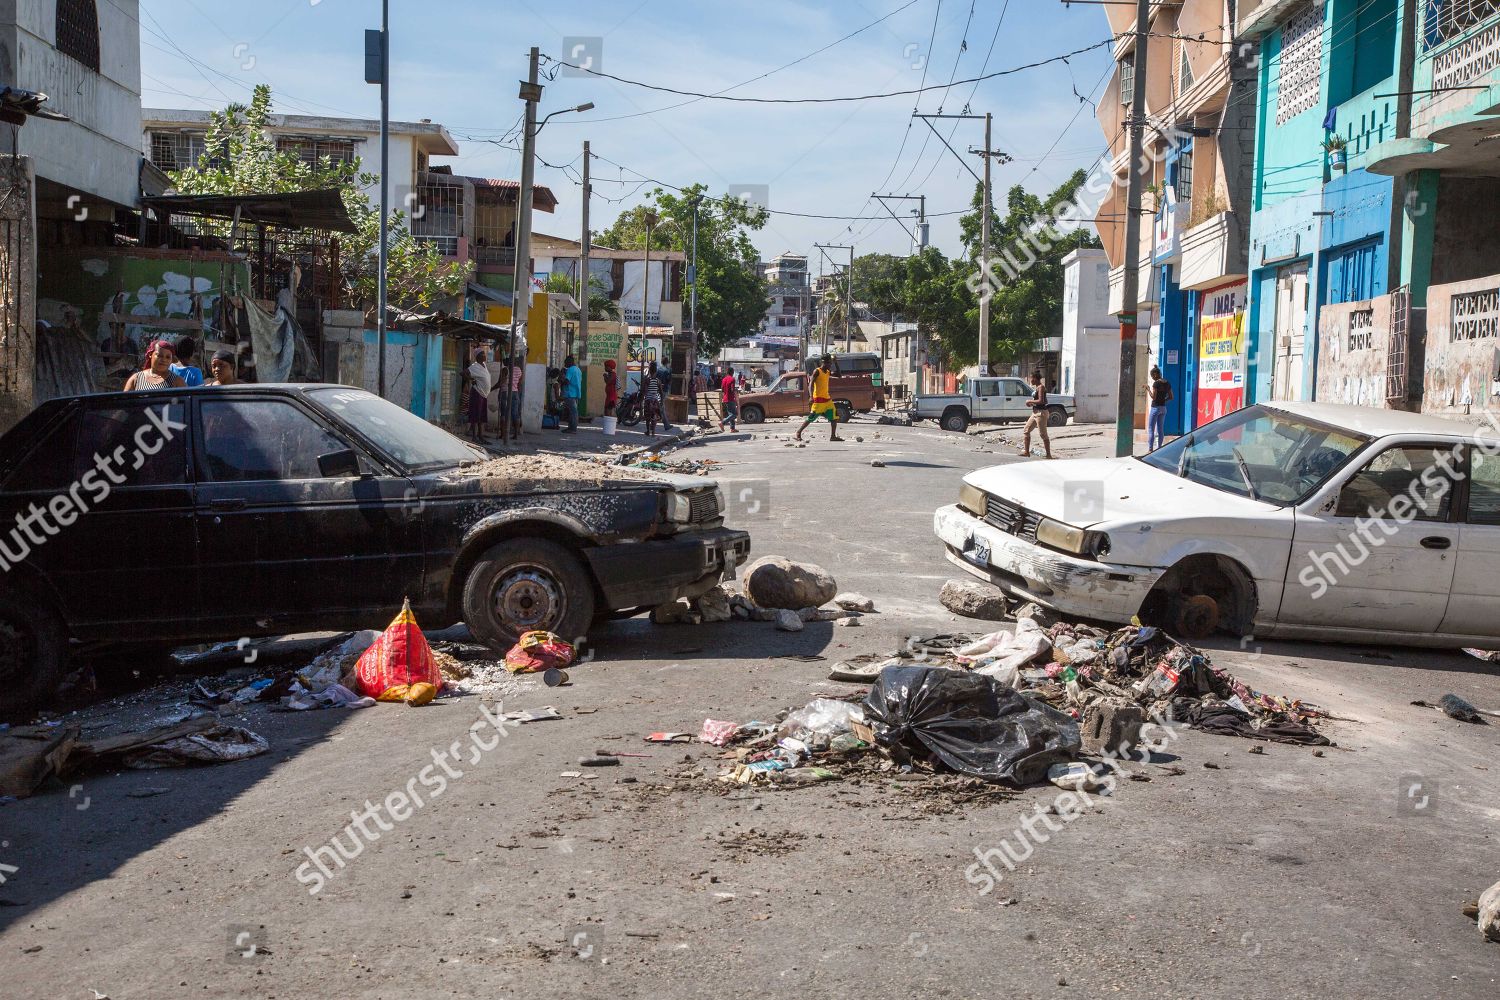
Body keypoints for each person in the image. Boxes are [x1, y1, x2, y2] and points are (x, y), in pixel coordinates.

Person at [794, 356, 842, 442]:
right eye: (829, 363)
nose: (830, 365)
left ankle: (833, 436)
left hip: (827, 400)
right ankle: (798, 432)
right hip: (818, 400)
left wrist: (836, 363)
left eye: (831, 363)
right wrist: (811, 396)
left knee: (834, 418)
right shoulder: (817, 371)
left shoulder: (827, 372)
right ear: (824, 363)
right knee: (811, 418)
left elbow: (839, 376)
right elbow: (810, 384)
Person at [1020, 370, 1053, 459]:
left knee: (1043, 434)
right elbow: (1044, 401)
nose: (1030, 379)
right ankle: (1026, 452)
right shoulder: (1037, 387)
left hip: (1040, 413)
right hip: (1035, 412)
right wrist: (1032, 403)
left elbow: (1041, 401)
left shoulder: (1041, 387)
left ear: (1035, 378)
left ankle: (1049, 455)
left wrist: (1030, 401)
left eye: (1031, 377)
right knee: (1026, 430)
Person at [466, 349, 493, 442]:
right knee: (475, 415)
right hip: (477, 393)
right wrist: (471, 380)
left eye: (484, 354)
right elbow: (463, 373)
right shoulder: (474, 366)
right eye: (482, 354)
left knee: (481, 417)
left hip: (483, 394)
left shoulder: (484, 365)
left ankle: (481, 436)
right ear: (477, 356)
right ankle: (474, 437)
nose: (484, 355)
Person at [1148, 365, 1173, 451]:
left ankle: (1150, 449)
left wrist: (1148, 389)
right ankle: (1159, 448)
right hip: (1163, 408)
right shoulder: (1167, 383)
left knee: (1151, 429)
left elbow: (1153, 397)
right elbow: (1171, 397)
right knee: (1160, 429)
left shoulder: (1156, 383)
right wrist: (1163, 400)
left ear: (1155, 374)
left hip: (1155, 408)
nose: (1152, 378)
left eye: (1152, 376)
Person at [561, 354, 582, 434]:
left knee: (572, 412)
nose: (565, 364)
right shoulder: (578, 370)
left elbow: (567, 381)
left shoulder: (570, 370)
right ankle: (571, 428)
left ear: (569, 362)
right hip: (576, 393)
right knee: (573, 411)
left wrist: (562, 379)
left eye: (565, 363)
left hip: (569, 393)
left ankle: (572, 428)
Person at [643, 365, 663, 437]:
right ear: (656, 372)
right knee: (654, 416)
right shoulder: (658, 381)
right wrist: (661, 402)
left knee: (648, 417)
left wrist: (642, 399)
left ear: (649, 371)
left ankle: (648, 431)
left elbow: (645, 391)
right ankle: (653, 433)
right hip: (655, 401)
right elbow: (661, 392)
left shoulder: (647, 380)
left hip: (648, 401)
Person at [719, 366, 739, 433]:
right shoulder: (732, 379)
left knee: (731, 414)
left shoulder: (724, 379)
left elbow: (722, 389)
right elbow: (732, 389)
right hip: (730, 398)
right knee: (734, 414)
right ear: (732, 372)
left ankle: (732, 429)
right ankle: (722, 423)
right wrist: (736, 391)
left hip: (725, 398)